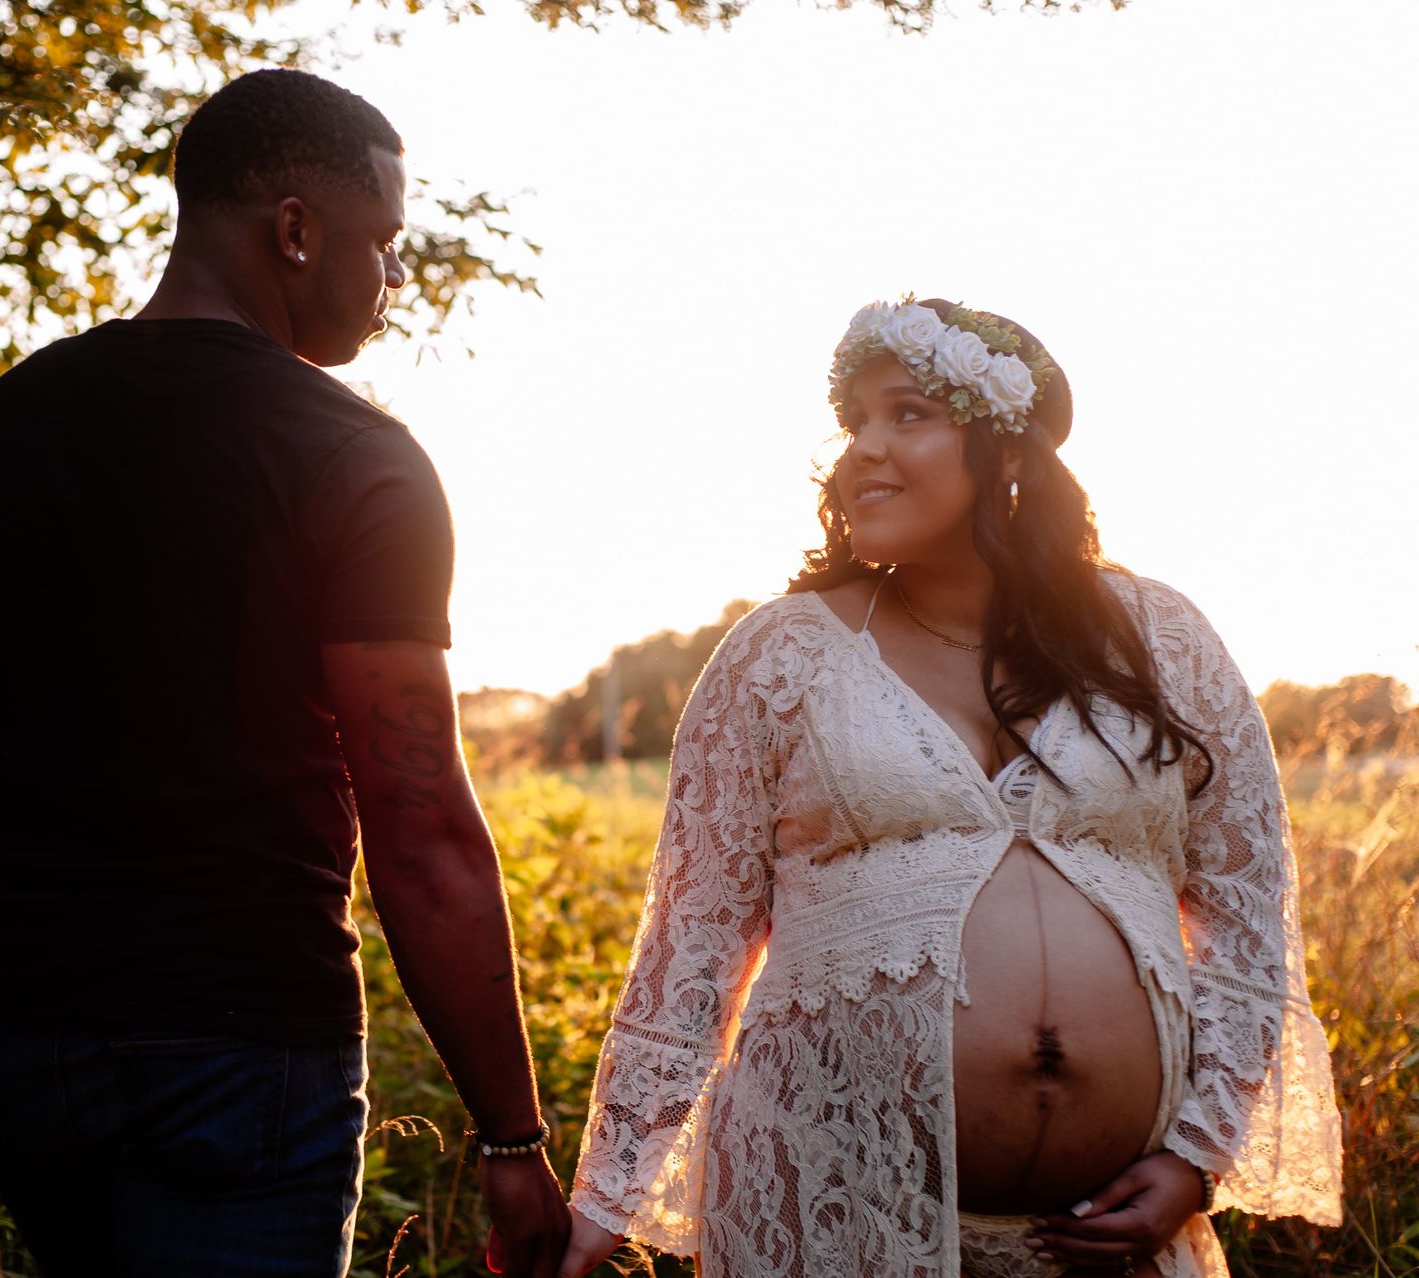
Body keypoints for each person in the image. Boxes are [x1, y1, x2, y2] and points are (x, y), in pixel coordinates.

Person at [0, 68, 569, 1278]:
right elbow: (422, 836)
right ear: (295, 231)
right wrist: (511, 1137)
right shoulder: (357, 461)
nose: (395, 277)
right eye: (385, 241)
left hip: (18, 1040)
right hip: (241, 1048)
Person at [557, 298, 1344, 1278]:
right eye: (855, 421)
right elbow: (693, 943)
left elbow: (1246, 913)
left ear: (1007, 450)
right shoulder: (782, 654)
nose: (863, 449)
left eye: (908, 414)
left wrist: (1195, 1158)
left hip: (1106, 1240)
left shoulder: (1161, 640)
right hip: (833, 1210)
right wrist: (604, 1196)